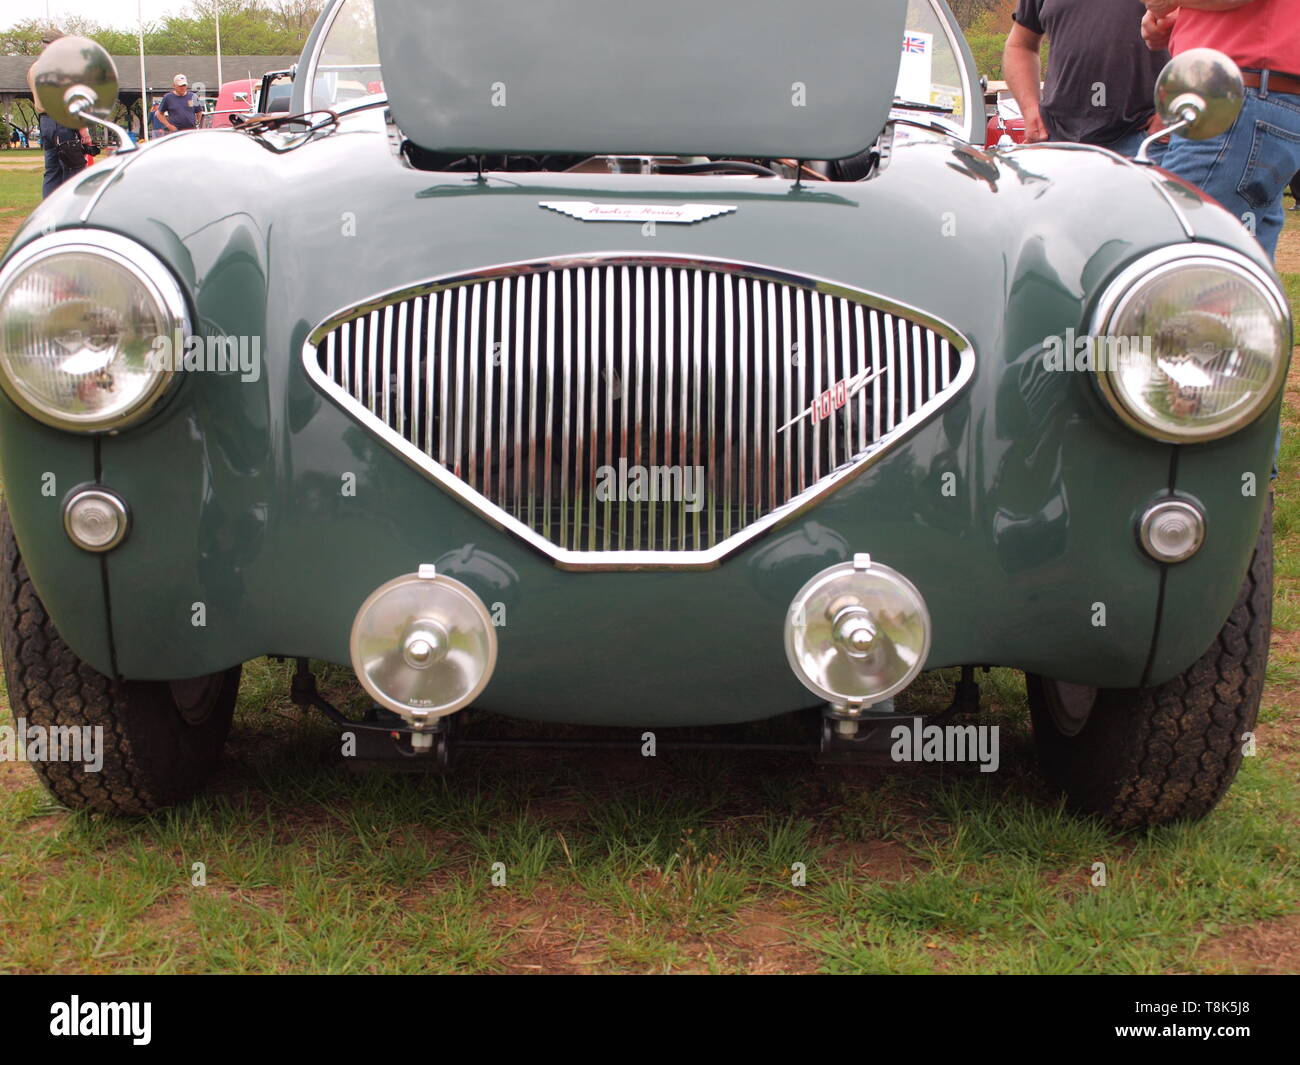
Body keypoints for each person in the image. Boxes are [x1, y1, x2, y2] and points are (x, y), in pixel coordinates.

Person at [1142, 0, 1300, 259]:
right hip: (1247, 99)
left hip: (1237, 101)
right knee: (1232, 282)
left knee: (1168, 258)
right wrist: (1180, 17)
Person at [1004, 0, 1170, 158]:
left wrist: (1170, 113)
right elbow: (1020, 45)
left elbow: (1194, 32)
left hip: (1144, 140)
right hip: (1058, 141)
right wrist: (1029, 110)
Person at [27, 32, 92, 198]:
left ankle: (48, 214)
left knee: (51, 172)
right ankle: (67, 213)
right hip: (63, 122)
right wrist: (83, 129)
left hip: (45, 122)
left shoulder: (34, 68)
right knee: (73, 170)